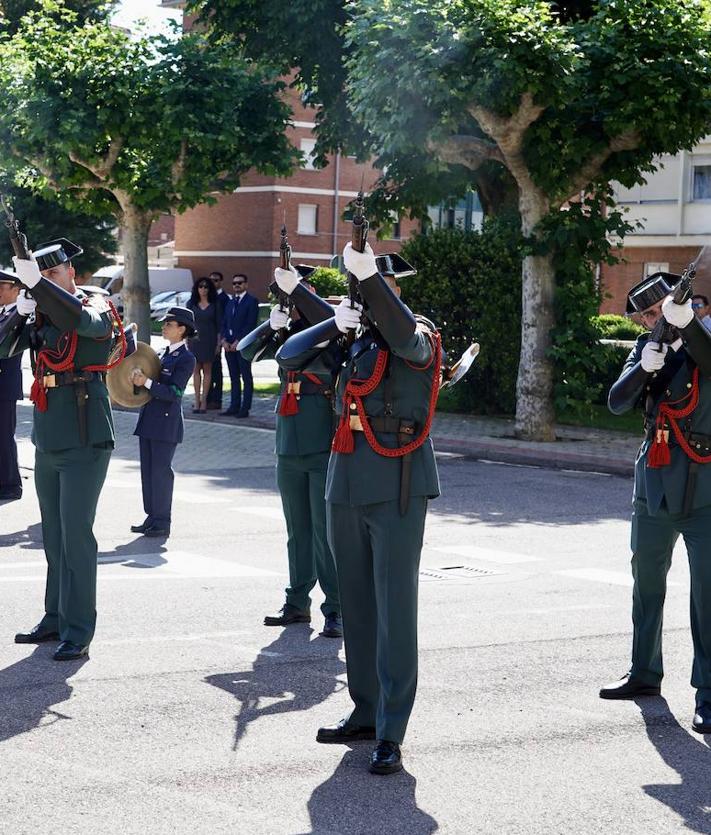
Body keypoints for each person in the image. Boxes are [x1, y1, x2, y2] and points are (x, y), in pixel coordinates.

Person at [278, 243, 441, 775]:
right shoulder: (352, 338)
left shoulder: (417, 333)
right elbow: (285, 357)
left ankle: (393, 729)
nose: (371, 297)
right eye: (366, 288)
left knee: (395, 609)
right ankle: (366, 709)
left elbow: (404, 338)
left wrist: (370, 281)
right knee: (357, 605)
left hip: (395, 481)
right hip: (345, 480)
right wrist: (332, 324)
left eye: (379, 287)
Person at [600, 271, 711, 735]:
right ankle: (644, 672)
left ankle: (708, 691)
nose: (651, 319)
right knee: (646, 583)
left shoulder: (703, 341)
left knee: (707, 594)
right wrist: (644, 366)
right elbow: (616, 402)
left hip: (705, 486)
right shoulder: (647, 349)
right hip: (655, 483)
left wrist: (685, 323)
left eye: (656, 310)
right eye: (644, 315)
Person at [0, 238, 122, 661]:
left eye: (53, 275)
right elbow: (2, 349)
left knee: (76, 535)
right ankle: (54, 617)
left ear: (71, 272)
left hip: (86, 434)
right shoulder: (42, 314)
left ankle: (79, 627)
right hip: (49, 436)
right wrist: (19, 311)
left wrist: (41, 288)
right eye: (41, 277)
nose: (48, 283)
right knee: (53, 534)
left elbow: (84, 324)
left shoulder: (96, 305)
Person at [239, 267, 342, 639]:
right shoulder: (287, 330)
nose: (291, 299)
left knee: (323, 531)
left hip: (322, 441)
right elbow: (244, 351)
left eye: (298, 290)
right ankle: (297, 603)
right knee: (296, 531)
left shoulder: (334, 328)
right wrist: (271, 325)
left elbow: (330, 321)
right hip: (289, 442)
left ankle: (336, 608)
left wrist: (297, 291)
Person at [130, 306, 196, 539]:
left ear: (182, 329)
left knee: (160, 473)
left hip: (166, 423)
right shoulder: (163, 353)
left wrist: (146, 382)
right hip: (149, 419)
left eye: (169, 324)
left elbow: (174, 392)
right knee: (148, 472)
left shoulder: (186, 358)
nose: (164, 327)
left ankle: (163, 520)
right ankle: (152, 516)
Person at [0, 270, 24, 501]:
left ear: (16, 290)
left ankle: (11, 484)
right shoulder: (4, 313)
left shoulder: (19, 314)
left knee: (5, 436)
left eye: (2, 287)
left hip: (5, 385)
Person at [221, 273, 258, 417]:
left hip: (243, 346)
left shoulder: (251, 301)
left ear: (246, 285)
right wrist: (224, 340)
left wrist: (238, 341)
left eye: (240, 283)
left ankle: (245, 408)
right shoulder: (230, 302)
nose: (237, 285)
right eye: (234, 283)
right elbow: (224, 322)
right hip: (229, 346)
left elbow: (250, 324)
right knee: (233, 377)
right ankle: (234, 406)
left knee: (246, 377)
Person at [187, 277, 220, 413]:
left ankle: (204, 401)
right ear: (197, 288)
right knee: (196, 371)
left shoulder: (215, 304)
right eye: (200, 286)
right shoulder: (191, 304)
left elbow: (219, 325)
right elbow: (187, 324)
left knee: (207, 371)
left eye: (206, 287)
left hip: (209, 340)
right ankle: (196, 401)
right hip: (195, 341)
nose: (203, 289)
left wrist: (218, 343)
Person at [206, 271, 228, 410]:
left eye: (216, 280)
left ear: (220, 282)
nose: (213, 282)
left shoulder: (224, 298)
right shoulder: (207, 297)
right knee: (206, 370)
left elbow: (224, 321)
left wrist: (221, 341)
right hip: (206, 340)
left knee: (216, 371)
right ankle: (207, 398)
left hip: (218, 340)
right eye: (211, 280)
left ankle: (217, 399)